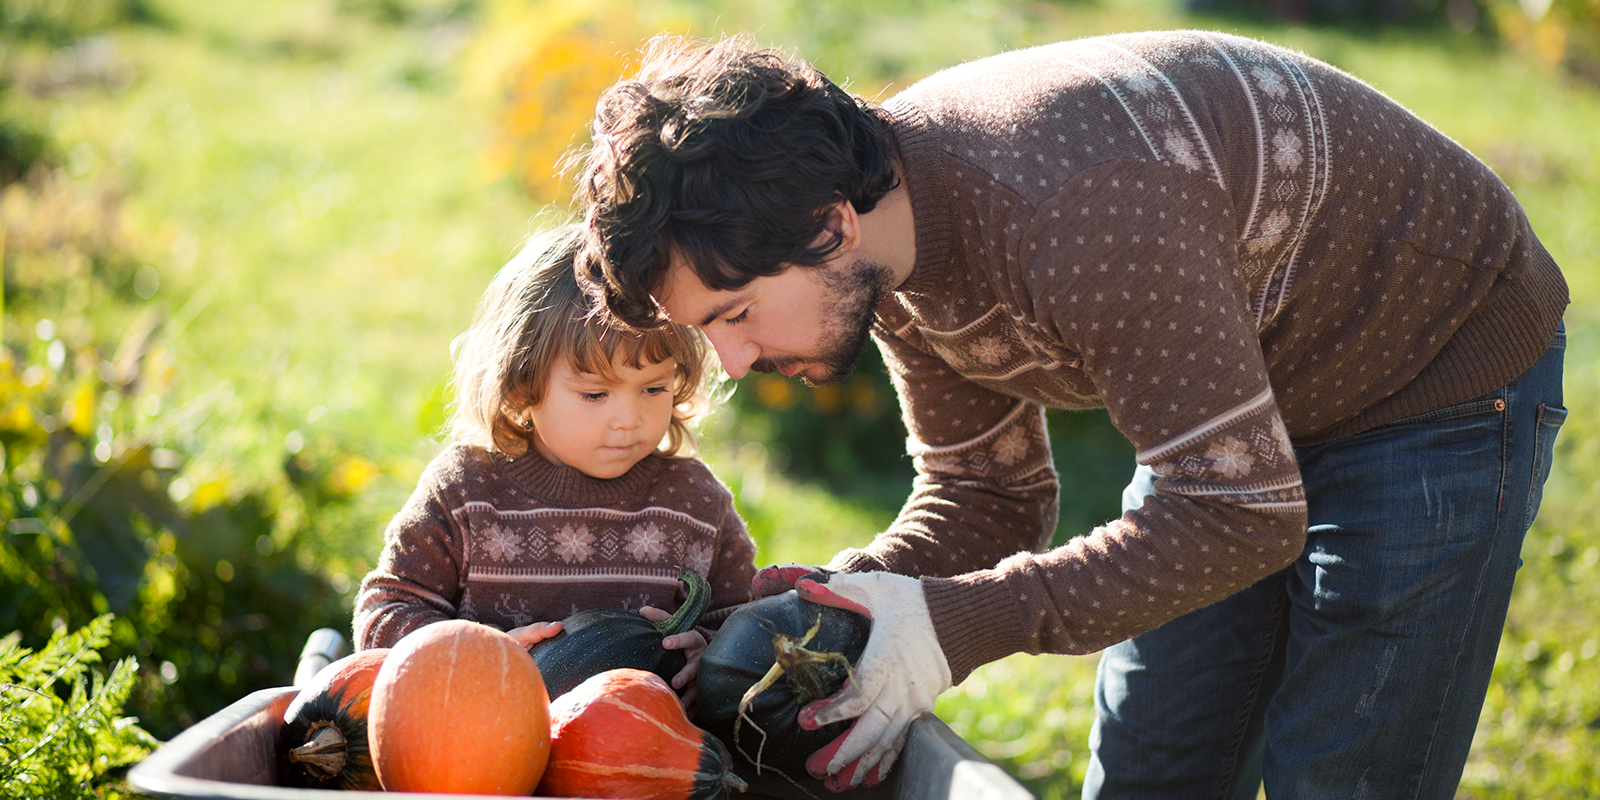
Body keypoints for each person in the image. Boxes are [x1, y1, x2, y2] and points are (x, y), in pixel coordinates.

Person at [571, 30, 1570, 799]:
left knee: (1340, 769)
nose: (735, 361)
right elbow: (988, 491)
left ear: (829, 224)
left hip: (1428, 374)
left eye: (735, 315)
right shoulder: (886, 249)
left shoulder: (1072, 214)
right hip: (1228, 405)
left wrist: (958, 624)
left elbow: (1234, 512)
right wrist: (852, 596)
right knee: (1154, 757)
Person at [353, 224, 758, 700]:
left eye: (654, 388)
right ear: (524, 384)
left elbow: (748, 629)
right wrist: (476, 656)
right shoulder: (466, 492)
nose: (629, 418)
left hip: (640, 756)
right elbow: (386, 612)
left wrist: (707, 654)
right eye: (594, 393)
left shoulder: (694, 503)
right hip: (482, 747)